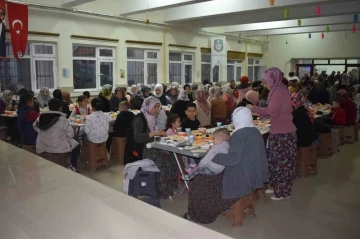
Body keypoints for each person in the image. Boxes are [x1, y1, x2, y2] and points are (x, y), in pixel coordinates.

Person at [184, 107, 268, 223]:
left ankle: (200, 215)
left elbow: (233, 159)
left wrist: (212, 154)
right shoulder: (254, 131)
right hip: (252, 173)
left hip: (240, 177)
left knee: (199, 180)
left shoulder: (239, 134)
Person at [248, 67, 297, 200]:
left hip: (283, 133)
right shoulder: (276, 90)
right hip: (278, 130)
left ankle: (283, 192)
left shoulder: (280, 91)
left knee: (282, 163)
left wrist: (252, 107)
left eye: (265, 82)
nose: (264, 85)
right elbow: (275, 112)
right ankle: (277, 187)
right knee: (275, 161)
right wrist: (258, 113)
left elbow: (271, 110)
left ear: (273, 79)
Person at [124, 96, 179, 198]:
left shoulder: (151, 118)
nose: (156, 110)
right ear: (147, 106)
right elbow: (137, 138)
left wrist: (159, 134)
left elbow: (152, 136)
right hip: (138, 149)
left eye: (158, 107)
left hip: (149, 146)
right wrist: (154, 133)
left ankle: (170, 187)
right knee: (163, 162)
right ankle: (162, 191)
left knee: (171, 157)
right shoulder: (139, 119)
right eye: (154, 107)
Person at [33, 98, 80, 170]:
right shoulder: (62, 119)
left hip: (43, 148)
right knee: (77, 143)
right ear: (59, 108)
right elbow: (71, 134)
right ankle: (72, 164)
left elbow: (35, 127)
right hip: (59, 149)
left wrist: (45, 132)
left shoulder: (41, 117)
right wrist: (72, 128)